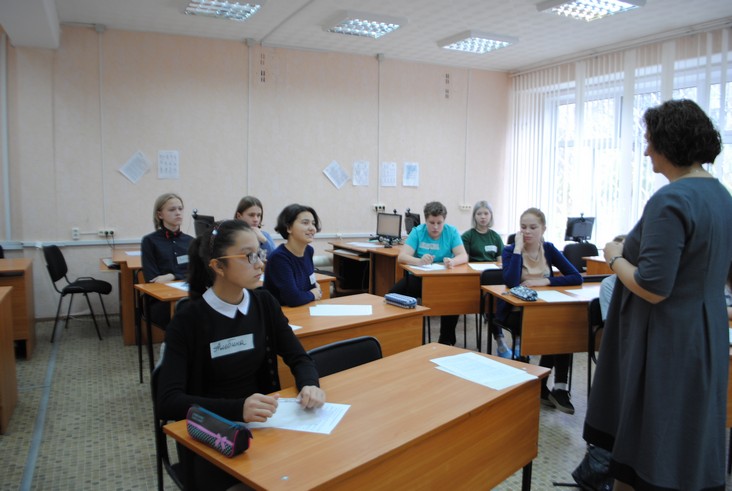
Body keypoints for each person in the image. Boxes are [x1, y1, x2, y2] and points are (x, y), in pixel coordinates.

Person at [583, 99, 732, 491]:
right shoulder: (722, 197)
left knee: (650, 447)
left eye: (649, 140)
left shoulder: (671, 199)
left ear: (669, 142)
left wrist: (614, 256)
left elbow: (652, 287)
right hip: (705, 335)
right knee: (687, 438)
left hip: (667, 340)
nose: (647, 150)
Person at [157, 219, 325, 490]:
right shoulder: (188, 320)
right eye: (249, 256)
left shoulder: (264, 303)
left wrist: (310, 384)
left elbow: (299, 357)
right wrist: (238, 409)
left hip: (264, 427)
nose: (260, 264)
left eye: (260, 253)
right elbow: (168, 402)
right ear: (218, 266)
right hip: (213, 437)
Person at [499, 207, 582, 414]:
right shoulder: (510, 251)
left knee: (563, 327)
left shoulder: (549, 249)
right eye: (523, 227)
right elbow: (511, 281)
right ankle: (547, 385)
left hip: (546, 309)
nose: (527, 231)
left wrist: (546, 281)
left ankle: (558, 387)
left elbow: (576, 277)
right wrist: (518, 249)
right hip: (516, 311)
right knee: (554, 329)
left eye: (533, 227)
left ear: (543, 229)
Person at [390, 201, 468, 346]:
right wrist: (419, 261)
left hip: (444, 280)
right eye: (432, 223)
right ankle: (403, 336)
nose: (435, 227)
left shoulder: (451, 232)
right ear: (426, 220)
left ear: (444, 221)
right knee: (393, 294)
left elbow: (463, 256)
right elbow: (402, 257)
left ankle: (446, 340)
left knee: (453, 298)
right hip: (419, 279)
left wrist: (452, 261)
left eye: (439, 223)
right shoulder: (417, 232)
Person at [141, 193, 194, 327]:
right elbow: (152, 279)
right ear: (160, 215)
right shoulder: (150, 241)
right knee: (186, 312)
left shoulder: (190, 241)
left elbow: (196, 273)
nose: (178, 213)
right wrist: (183, 275)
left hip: (187, 295)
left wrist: (173, 276)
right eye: (172, 209)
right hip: (161, 300)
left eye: (180, 209)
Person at [263, 204, 323, 307]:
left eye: (313, 223)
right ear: (289, 228)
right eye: (305, 223)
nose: (312, 228)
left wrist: (314, 290)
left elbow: (310, 285)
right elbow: (293, 298)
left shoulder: (309, 251)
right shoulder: (279, 258)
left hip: (304, 308)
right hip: (281, 312)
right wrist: (313, 294)